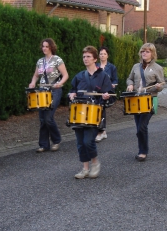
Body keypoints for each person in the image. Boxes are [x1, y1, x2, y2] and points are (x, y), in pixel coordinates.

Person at [68, 46, 115, 179]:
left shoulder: (103, 76)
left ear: (95, 59)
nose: (85, 59)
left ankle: (95, 162)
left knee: (88, 141)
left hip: (94, 114)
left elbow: (111, 96)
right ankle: (85, 169)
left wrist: (106, 96)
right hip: (78, 113)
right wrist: (71, 94)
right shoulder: (79, 76)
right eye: (84, 56)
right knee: (80, 142)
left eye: (88, 56)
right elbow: (72, 90)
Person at [126, 43, 165, 161]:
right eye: (143, 51)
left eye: (147, 51)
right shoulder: (135, 66)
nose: (144, 53)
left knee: (141, 127)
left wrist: (158, 87)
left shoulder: (158, 68)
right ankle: (141, 149)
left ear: (152, 54)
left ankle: (143, 152)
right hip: (135, 100)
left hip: (149, 100)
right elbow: (129, 78)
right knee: (139, 128)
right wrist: (130, 84)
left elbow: (161, 84)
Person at [29, 38, 69, 153]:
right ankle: (43, 145)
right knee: (42, 119)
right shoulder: (40, 61)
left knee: (48, 118)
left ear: (51, 47)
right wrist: (32, 82)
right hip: (42, 91)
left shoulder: (57, 59)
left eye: (47, 46)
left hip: (54, 90)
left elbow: (65, 75)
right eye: (43, 46)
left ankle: (56, 141)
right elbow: (36, 75)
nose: (44, 48)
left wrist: (60, 83)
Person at [95, 46, 118, 142]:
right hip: (96, 91)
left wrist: (113, 85)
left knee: (101, 107)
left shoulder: (112, 67)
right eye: (101, 54)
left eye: (104, 54)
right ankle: (101, 131)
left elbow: (115, 80)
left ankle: (101, 131)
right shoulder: (95, 66)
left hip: (107, 92)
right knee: (96, 108)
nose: (102, 55)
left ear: (107, 55)